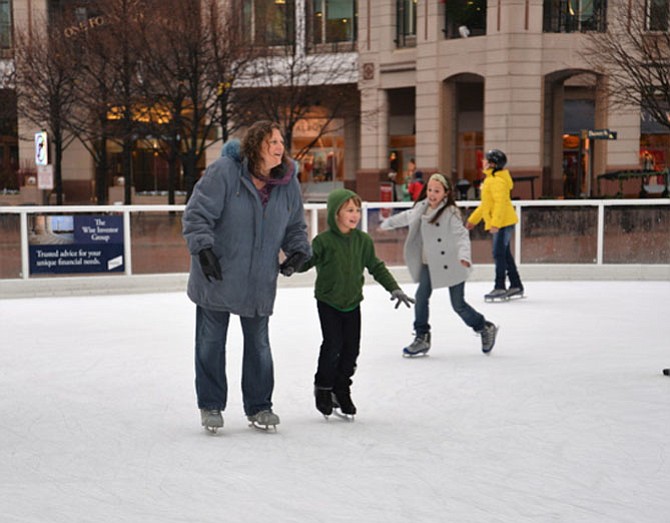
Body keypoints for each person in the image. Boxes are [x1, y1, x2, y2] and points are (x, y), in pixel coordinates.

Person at [182, 121, 311, 433]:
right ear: (256, 146)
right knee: (211, 342)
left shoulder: (287, 183)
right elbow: (197, 214)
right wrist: (203, 250)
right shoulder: (225, 172)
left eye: (281, 141)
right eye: (272, 142)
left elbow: (294, 226)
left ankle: (259, 406)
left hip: (258, 280)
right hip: (218, 273)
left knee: (259, 344)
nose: (280, 147)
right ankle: (211, 405)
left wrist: (296, 251)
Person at [298, 188, 414, 418]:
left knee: (351, 350)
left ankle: (341, 390)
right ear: (335, 213)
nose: (355, 214)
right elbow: (306, 262)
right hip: (328, 301)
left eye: (357, 210)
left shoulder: (363, 241)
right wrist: (291, 262)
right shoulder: (323, 241)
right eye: (349, 210)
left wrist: (394, 287)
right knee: (332, 346)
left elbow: (376, 266)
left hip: (352, 303)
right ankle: (323, 388)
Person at [380, 173, 498, 357]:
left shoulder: (450, 213)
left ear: (445, 193)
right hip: (430, 263)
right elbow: (406, 217)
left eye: (437, 191)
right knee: (421, 297)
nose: (432, 194)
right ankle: (422, 337)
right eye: (429, 190)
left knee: (458, 305)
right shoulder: (421, 208)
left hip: (453, 263)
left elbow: (461, 236)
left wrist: (464, 256)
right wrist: (387, 223)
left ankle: (484, 327)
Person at [466, 149, 525, 301]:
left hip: (503, 223)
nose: (482, 162)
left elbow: (500, 205)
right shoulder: (490, 180)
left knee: (498, 253)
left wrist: (496, 224)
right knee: (504, 254)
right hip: (502, 222)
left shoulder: (497, 181)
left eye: (485, 160)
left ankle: (500, 287)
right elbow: (486, 205)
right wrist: (473, 220)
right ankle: (516, 285)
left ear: (493, 164)